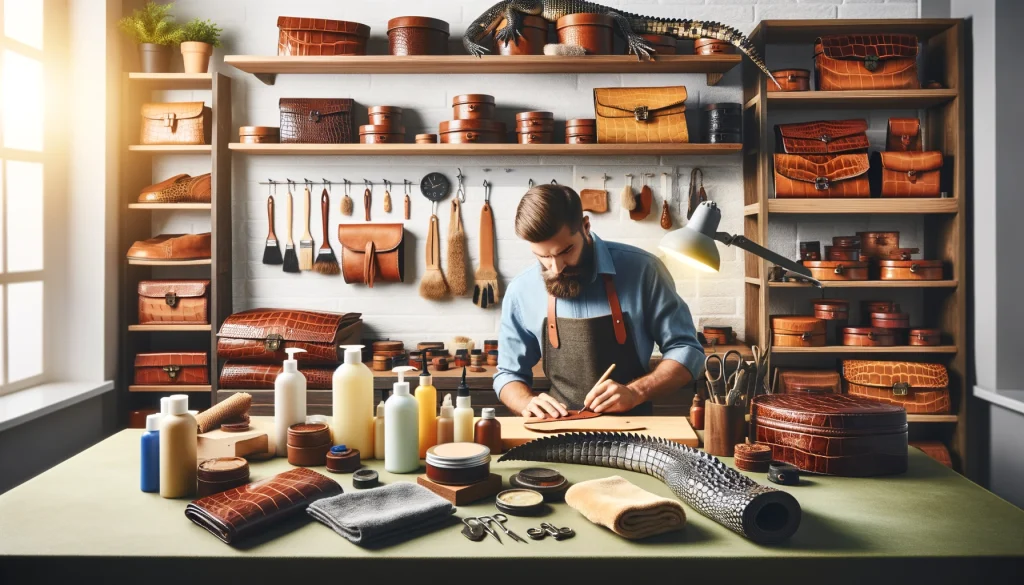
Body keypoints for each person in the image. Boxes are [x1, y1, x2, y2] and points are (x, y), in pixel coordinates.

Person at [494, 184, 704, 418]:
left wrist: (635, 392)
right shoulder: (521, 289)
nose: (556, 268)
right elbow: (508, 374)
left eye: (566, 251)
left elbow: (687, 350)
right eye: (543, 257)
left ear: (585, 227)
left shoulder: (644, 270)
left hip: (635, 431)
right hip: (558, 433)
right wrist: (526, 402)